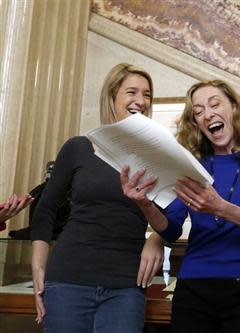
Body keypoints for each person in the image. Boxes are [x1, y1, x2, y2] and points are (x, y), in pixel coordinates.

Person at [121, 80, 240, 333]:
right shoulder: (191, 167)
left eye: (215, 104)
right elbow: (171, 229)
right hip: (193, 285)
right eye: (198, 111)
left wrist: (219, 207)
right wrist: (145, 205)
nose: (207, 114)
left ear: (233, 108)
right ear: (196, 123)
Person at [31, 63, 164, 333]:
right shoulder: (78, 148)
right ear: (112, 97)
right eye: (132, 92)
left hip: (126, 286)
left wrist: (156, 239)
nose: (141, 100)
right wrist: (37, 269)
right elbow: (44, 211)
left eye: (147, 94)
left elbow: (170, 218)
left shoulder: (157, 157)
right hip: (68, 279)